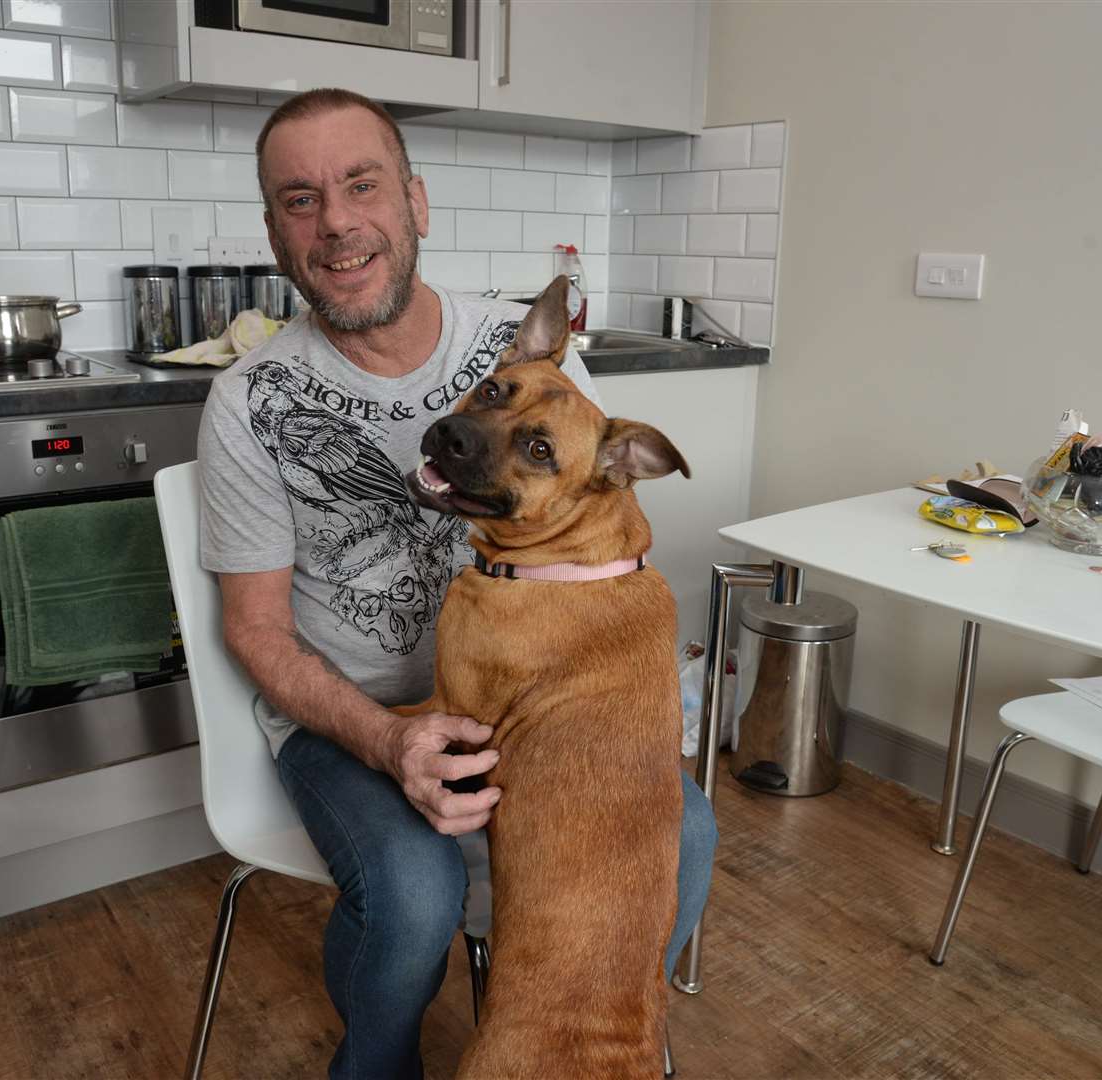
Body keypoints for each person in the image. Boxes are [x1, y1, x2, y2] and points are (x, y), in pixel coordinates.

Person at [196, 87, 717, 1080]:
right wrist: (390, 741)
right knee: (412, 885)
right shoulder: (247, 403)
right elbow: (256, 633)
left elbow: (601, 534)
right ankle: (378, 1063)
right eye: (300, 200)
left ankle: (592, 1043)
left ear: (415, 201)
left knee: (685, 828)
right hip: (351, 720)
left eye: (362, 185)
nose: (339, 222)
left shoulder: (518, 352)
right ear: (272, 230)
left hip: (526, 707)